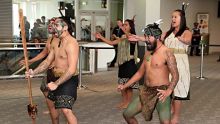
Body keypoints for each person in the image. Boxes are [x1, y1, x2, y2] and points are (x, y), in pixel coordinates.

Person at [118, 23, 179, 124]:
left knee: (166, 122)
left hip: (161, 90)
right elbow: (139, 73)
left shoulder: (167, 52)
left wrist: (169, 90)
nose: (146, 40)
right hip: (147, 90)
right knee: (127, 114)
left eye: (149, 38)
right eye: (145, 37)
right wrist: (125, 86)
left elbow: (175, 75)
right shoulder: (148, 52)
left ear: (158, 37)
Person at [26, 16, 79, 124]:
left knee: (66, 110)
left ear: (65, 27)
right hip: (54, 77)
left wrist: (56, 83)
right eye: (53, 25)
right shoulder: (55, 41)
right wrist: (34, 72)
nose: (54, 27)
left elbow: (71, 70)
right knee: (52, 108)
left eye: (57, 25)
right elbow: (47, 61)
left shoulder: (72, 43)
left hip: (68, 80)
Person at [95, 19, 138, 109]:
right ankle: (124, 102)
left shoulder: (133, 36)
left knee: (129, 85)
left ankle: (128, 103)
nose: (124, 26)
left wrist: (125, 31)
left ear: (131, 27)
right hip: (122, 63)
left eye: (126, 25)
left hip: (130, 63)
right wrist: (101, 37)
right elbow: (112, 43)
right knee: (121, 84)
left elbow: (130, 39)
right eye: (123, 25)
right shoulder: (122, 37)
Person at [161, 9, 192, 124]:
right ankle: (169, 110)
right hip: (167, 63)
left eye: (175, 17)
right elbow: (157, 41)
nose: (173, 19)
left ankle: (176, 117)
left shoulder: (186, 31)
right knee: (167, 87)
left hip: (180, 64)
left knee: (179, 90)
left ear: (181, 19)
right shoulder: (168, 32)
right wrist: (141, 38)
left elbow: (188, 41)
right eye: (172, 17)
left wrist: (182, 39)